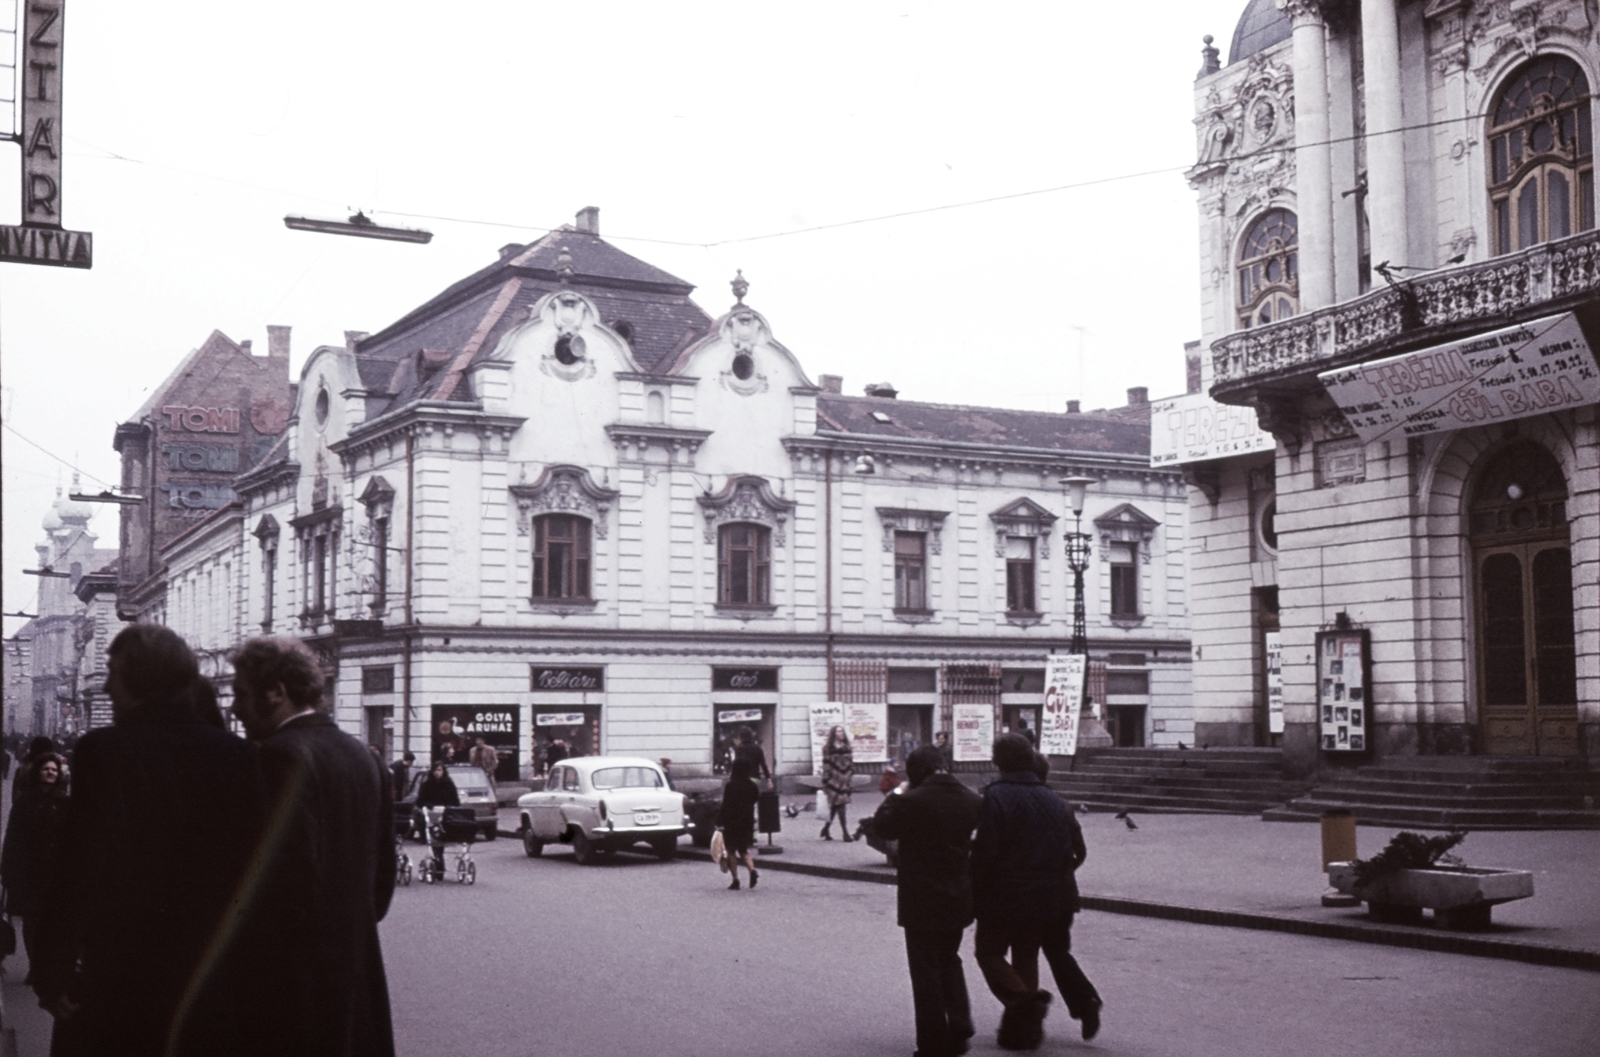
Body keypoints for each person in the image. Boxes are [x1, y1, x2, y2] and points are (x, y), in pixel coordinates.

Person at [31, 624, 268, 1057]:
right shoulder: (238, 755)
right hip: (204, 970)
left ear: (142, 680)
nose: (106, 686)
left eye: (113, 673)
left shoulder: (105, 752)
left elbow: (77, 866)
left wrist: (53, 968)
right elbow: (254, 875)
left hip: (118, 968)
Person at [230, 635, 396, 1057]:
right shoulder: (363, 755)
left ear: (278, 692)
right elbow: (383, 879)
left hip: (299, 976)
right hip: (357, 964)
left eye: (243, 694)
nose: (235, 708)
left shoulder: (280, 756)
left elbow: (288, 879)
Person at [873, 745, 983, 1057]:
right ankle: (960, 1024)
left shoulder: (911, 800)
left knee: (924, 968)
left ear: (915, 772)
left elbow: (881, 826)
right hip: (958, 894)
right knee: (950, 958)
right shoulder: (972, 799)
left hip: (921, 897)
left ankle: (933, 1042)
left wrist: (898, 792)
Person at [970, 733, 1076, 1050]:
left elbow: (986, 850)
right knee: (1026, 956)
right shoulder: (1054, 800)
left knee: (988, 953)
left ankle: (1025, 1001)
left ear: (997, 761)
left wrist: (974, 885)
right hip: (1045, 893)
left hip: (1003, 892)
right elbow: (1065, 852)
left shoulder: (997, 797)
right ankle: (1023, 1034)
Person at [1009, 753, 1101, 1042]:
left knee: (1024, 951)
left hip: (1031, 892)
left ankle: (1024, 1018)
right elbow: (1080, 851)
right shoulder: (1061, 805)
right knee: (1057, 951)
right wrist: (1062, 871)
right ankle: (1085, 1002)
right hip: (1062, 894)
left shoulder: (1019, 805)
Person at [1, 752, 69, 981]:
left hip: (56, 872)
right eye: (46, 769)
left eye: (54, 770)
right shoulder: (24, 802)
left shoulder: (65, 803)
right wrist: (8, 871)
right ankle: (35, 966)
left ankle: (45, 965)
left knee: (51, 923)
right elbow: (13, 837)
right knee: (31, 922)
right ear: (37, 773)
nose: (50, 773)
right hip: (29, 872)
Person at [716, 758, 760, 891]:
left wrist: (719, 821)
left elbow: (725, 805)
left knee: (731, 851)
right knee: (744, 850)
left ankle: (735, 880)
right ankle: (752, 870)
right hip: (746, 821)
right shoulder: (752, 785)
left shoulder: (730, 785)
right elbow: (754, 800)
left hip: (731, 821)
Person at [413, 761, 460, 871]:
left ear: (443, 771)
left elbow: (455, 801)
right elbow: (420, 801)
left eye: (439, 770)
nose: (437, 773)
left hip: (445, 815)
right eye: (435, 770)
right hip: (431, 814)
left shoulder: (449, 784)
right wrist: (427, 804)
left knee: (441, 838)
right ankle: (437, 859)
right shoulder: (427, 784)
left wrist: (448, 807)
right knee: (433, 837)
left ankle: (439, 858)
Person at [819, 726, 855, 841]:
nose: (841, 733)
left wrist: (850, 775)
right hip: (833, 780)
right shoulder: (828, 748)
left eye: (842, 731)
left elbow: (851, 763)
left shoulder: (847, 747)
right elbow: (826, 765)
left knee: (836, 806)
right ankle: (845, 833)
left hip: (845, 780)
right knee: (841, 806)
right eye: (838, 731)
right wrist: (825, 781)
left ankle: (826, 829)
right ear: (833, 734)